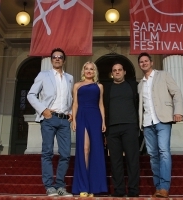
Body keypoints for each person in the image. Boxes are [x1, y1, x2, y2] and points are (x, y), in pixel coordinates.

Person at [27, 48, 74, 197]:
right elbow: (31, 95)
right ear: (51, 59)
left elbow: (72, 98)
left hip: (64, 120)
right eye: (55, 57)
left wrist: (72, 112)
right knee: (47, 153)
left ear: (64, 60)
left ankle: (60, 185)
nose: (57, 59)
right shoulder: (43, 75)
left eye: (60, 57)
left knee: (65, 154)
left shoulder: (70, 78)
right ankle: (49, 186)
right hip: (49, 118)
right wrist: (43, 110)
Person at [137, 52, 183, 198]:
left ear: (151, 62)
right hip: (147, 122)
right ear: (139, 65)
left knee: (164, 152)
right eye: (141, 62)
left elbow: (176, 92)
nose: (144, 63)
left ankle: (164, 187)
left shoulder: (163, 75)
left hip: (163, 119)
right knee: (153, 155)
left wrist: (178, 111)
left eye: (146, 61)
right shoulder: (140, 84)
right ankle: (158, 188)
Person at [103, 61, 140, 197]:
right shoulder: (107, 88)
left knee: (132, 160)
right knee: (115, 161)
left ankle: (133, 190)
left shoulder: (134, 86)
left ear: (124, 72)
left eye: (119, 70)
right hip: (112, 129)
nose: (117, 72)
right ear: (112, 74)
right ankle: (118, 190)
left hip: (130, 126)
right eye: (114, 70)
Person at [72, 61, 108, 197]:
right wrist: (74, 120)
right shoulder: (77, 85)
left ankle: (94, 186)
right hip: (81, 115)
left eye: (91, 69)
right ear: (83, 71)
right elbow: (75, 104)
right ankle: (83, 186)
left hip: (95, 116)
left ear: (95, 72)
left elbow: (101, 104)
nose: (89, 71)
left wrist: (103, 121)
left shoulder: (99, 86)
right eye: (86, 69)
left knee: (96, 149)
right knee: (84, 149)